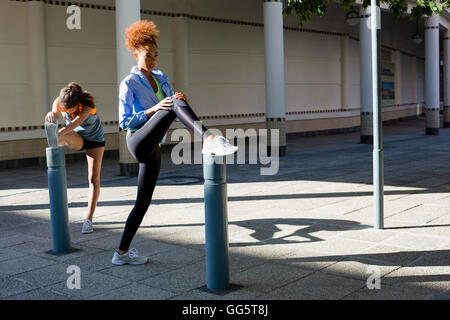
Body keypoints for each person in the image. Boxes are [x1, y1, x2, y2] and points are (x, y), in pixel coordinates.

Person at [112, 20, 238, 265]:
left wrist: (179, 100)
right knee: (171, 103)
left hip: (154, 147)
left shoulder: (160, 77)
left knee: (142, 202)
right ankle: (209, 139)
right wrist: (156, 108)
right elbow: (124, 121)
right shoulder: (129, 83)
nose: (153, 60)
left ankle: (121, 253)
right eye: (148, 55)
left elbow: (173, 104)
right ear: (136, 53)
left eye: (156, 55)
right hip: (137, 140)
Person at [45, 82, 105, 235]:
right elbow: (56, 107)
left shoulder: (87, 106)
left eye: (67, 110)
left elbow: (75, 123)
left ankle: (89, 219)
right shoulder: (60, 101)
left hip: (95, 140)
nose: (64, 111)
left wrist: (60, 131)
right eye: (63, 109)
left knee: (93, 178)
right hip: (77, 137)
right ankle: (56, 146)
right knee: (62, 138)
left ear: (76, 104)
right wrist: (52, 115)